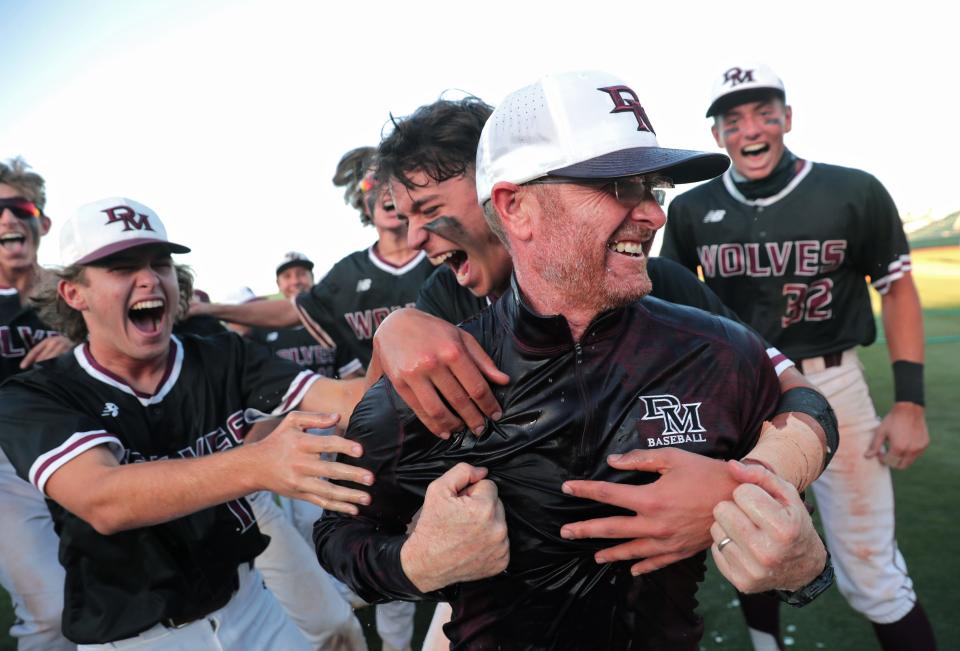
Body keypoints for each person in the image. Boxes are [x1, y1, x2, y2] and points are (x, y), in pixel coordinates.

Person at [316, 71, 831, 650]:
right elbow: (350, 516)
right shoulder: (442, 315)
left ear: (490, 192)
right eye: (619, 186)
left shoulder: (672, 302)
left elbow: (796, 395)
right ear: (516, 207)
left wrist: (744, 486)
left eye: (428, 207)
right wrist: (418, 562)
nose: (414, 238)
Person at [0, 196, 371, 649]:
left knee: (335, 628)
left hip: (250, 606)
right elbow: (104, 499)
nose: (149, 279)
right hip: (135, 638)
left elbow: (342, 400)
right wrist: (257, 464)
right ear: (73, 293)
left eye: (160, 263)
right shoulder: (39, 392)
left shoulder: (219, 355)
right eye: (121, 267)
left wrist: (401, 336)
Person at [660, 63, 936, 651]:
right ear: (717, 137)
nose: (751, 129)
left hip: (834, 382)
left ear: (788, 118)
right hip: (740, 392)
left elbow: (898, 289)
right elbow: (674, 310)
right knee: (749, 539)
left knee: (871, 570)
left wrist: (909, 401)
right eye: (733, 120)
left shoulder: (851, 189)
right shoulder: (691, 209)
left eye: (765, 113)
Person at [191, 147, 434, 378]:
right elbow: (291, 310)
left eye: (392, 180)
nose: (384, 190)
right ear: (362, 203)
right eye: (372, 183)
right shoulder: (347, 274)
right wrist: (208, 309)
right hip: (391, 406)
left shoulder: (442, 252)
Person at [0, 158, 74, 650]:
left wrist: (79, 342)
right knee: (51, 615)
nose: (7, 219)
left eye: (18, 206)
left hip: (81, 451)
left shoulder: (75, 292)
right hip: (7, 467)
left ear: (41, 222)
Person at [250, 251, 337, 377]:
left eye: (301, 274)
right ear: (278, 284)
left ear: (312, 278)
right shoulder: (262, 327)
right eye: (287, 276)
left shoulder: (332, 318)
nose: (295, 281)